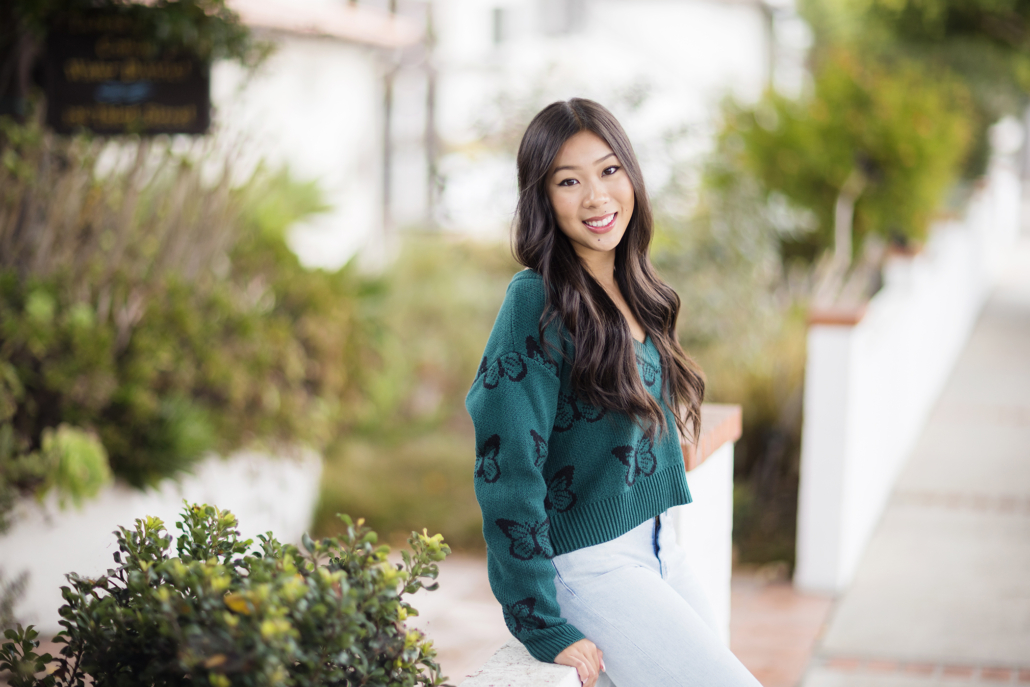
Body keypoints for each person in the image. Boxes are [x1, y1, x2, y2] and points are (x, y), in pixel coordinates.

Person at [465, 98, 762, 687]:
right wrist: (538, 620)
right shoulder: (536, 301)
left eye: (609, 171)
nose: (597, 198)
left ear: (631, 174)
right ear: (542, 199)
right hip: (588, 565)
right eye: (568, 181)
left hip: (658, 545)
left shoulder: (638, 285)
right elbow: (507, 466)